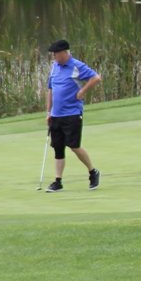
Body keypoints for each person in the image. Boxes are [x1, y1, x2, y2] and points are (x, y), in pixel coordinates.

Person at [43, 38, 103, 192]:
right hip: (56, 114)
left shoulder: (76, 65)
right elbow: (50, 90)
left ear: (64, 53)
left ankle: (92, 171)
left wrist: (82, 91)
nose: (54, 56)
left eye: (56, 54)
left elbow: (96, 78)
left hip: (72, 113)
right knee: (58, 148)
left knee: (74, 146)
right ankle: (58, 181)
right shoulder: (54, 67)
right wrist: (49, 111)